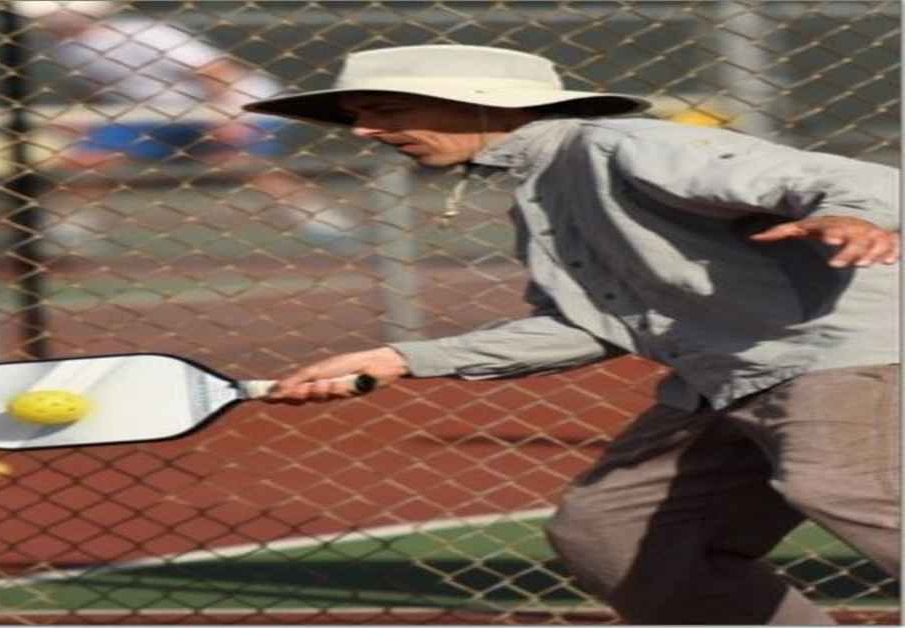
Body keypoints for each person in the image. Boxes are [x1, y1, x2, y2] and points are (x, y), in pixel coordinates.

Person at [243, 44, 900, 624]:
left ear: (478, 103)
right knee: (614, 532)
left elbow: (853, 180)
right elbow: (588, 329)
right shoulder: (544, 184)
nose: (364, 131)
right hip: (731, 376)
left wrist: (850, 214)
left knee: (840, 483)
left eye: (385, 109)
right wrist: (399, 358)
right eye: (358, 115)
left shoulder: (621, 145)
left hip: (847, 351)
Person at [13, 1, 357, 250]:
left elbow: (217, 71)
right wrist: (82, 122)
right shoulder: (62, 47)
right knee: (88, 158)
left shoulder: (143, 34)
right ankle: (71, 232)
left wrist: (229, 118)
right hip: (154, 114)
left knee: (240, 163)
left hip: (239, 103)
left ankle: (321, 220)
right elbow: (96, 87)